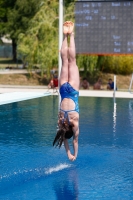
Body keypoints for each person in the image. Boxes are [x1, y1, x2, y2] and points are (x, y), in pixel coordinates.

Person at [53, 21, 80, 161]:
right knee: (65, 60)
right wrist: (68, 153)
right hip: (64, 90)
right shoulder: (61, 122)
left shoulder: (74, 123)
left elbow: (74, 141)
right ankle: (65, 36)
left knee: (72, 60)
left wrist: (74, 154)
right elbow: (64, 138)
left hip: (73, 90)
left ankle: (72, 35)